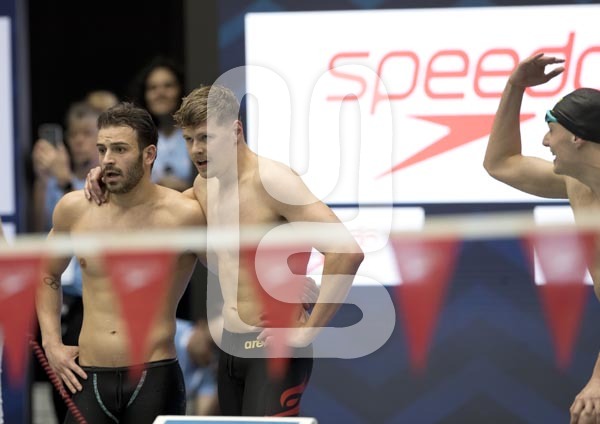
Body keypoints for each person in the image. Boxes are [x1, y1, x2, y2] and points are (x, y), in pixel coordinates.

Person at [86, 84, 364, 416]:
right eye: (189, 139)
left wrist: (307, 332)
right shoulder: (204, 186)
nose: (196, 150)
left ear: (235, 131)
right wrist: (108, 178)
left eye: (206, 138)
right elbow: (152, 209)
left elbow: (346, 251)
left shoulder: (273, 181)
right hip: (229, 349)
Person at [37, 103, 206, 423]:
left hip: (154, 377)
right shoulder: (75, 209)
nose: (107, 159)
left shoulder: (184, 214)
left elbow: (229, 268)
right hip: (88, 376)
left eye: (120, 149)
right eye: (102, 149)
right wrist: (51, 343)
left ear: (149, 154)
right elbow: (47, 273)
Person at [483, 53, 600, 424]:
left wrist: (598, 380)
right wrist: (515, 86)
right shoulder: (578, 184)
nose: (546, 141)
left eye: (551, 129)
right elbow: (501, 162)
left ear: (577, 137)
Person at [130, 57, 194, 191]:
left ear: (181, 89)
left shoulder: (197, 135)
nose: (160, 93)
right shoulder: (137, 139)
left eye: (168, 86)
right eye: (152, 88)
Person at [174, 318, 219, 416]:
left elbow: (202, 414)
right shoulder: (173, 331)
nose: (210, 355)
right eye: (210, 344)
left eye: (216, 351)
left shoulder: (207, 368)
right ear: (201, 326)